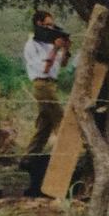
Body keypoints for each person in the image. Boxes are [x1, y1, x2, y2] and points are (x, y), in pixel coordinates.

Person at [21, 10, 71, 192]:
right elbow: (44, 67)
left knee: (44, 125)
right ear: (38, 24)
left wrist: (65, 49)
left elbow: (62, 64)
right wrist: (56, 48)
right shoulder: (32, 45)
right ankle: (65, 156)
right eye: (47, 24)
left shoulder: (50, 44)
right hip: (42, 84)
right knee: (60, 119)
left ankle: (28, 157)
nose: (51, 28)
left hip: (52, 83)